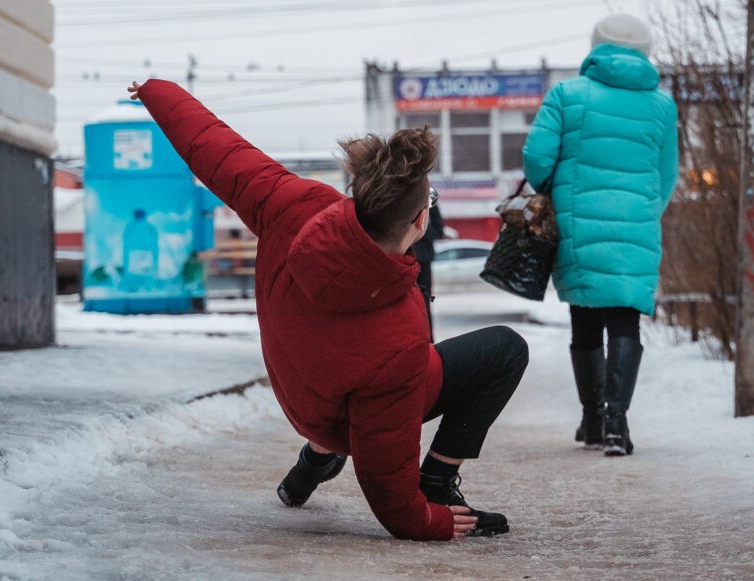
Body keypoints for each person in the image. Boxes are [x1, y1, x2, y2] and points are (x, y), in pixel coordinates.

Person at [128, 79, 527, 540]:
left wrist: (158, 92)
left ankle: (312, 464)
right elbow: (384, 465)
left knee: (353, 376)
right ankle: (437, 480)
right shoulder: (397, 331)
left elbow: (216, 148)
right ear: (420, 221)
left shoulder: (296, 204)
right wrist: (425, 519)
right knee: (506, 349)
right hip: (341, 412)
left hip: (302, 393)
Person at [522, 13, 679, 456]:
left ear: (596, 46)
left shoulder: (567, 95)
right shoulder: (662, 107)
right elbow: (668, 175)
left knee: (585, 319)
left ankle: (592, 421)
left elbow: (536, 157)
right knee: (625, 317)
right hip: (638, 224)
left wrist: (555, 191)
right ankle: (616, 424)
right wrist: (645, 212)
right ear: (645, 50)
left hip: (577, 221)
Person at [411, 202, 445, 339]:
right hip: (419, 257)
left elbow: (439, 229)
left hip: (418, 259)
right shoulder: (425, 197)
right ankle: (425, 340)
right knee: (421, 302)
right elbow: (439, 229)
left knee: (420, 302)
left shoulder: (426, 198)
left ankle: (425, 340)